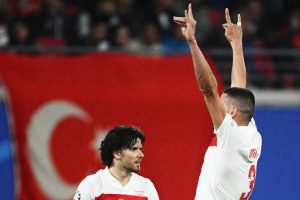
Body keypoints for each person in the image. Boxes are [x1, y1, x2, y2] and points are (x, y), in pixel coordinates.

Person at [174, 4, 262, 200]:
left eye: (222, 104)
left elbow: (208, 90)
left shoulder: (231, 138)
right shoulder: (250, 131)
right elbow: (239, 89)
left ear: (231, 113)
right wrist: (236, 44)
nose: (217, 107)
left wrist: (192, 42)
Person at [74, 125, 159, 200]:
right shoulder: (92, 184)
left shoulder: (146, 186)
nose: (141, 155)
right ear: (117, 154)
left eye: (140, 149)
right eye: (134, 149)